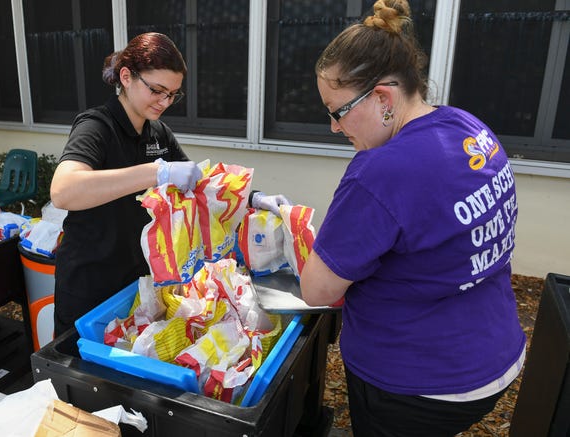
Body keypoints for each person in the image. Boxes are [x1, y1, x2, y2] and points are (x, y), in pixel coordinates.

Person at [300, 1, 526, 436]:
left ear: (383, 97)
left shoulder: (380, 172)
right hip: (495, 351)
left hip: (418, 382)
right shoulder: (468, 126)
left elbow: (317, 289)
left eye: (337, 110)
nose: (333, 127)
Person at [51, 32, 287, 337]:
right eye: (157, 90)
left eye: (173, 94)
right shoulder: (96, 127)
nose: (165, 102)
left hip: (138, 282)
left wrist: (252, 199)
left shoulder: (158, 134)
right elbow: (63, 191)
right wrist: (156, 173)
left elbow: (201, 185)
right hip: (90, 284)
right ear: (126, 77)